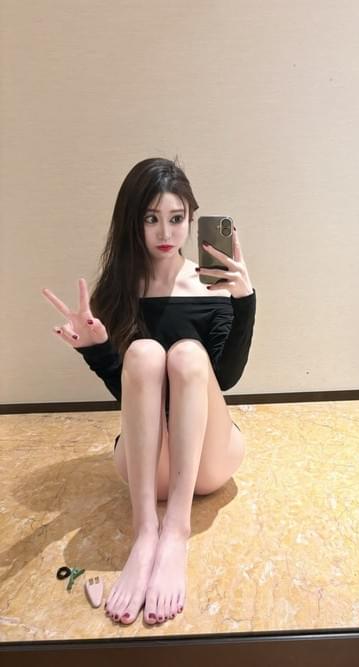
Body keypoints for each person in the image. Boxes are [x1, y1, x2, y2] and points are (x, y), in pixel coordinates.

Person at [41, 157, 256, 626]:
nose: (166, 232)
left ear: (191, 219)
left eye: (177, 218)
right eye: (151, 218)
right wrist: (96, 350)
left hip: (207, 461)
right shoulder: (118, 292)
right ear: (132, 222)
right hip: (145, 468)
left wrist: (244, 303)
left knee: (188, 356)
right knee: (142, 355)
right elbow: (130, 400)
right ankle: (145, 532)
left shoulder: (213, 285)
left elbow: (226, 379)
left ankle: (175, 531)